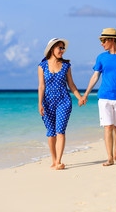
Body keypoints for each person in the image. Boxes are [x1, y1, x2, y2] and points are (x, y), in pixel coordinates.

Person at [81, 28, 116, 166]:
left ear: (112, 40)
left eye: (103, 40)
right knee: (108, 127)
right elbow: (95, 76)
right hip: (104, 97)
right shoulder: (101, 57)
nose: (101, 43)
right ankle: (110, 157)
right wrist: (86, 94)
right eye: (101, 40)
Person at [38, 38, 83, 170]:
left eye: (63, 48)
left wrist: (79, 98)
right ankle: (53, 160)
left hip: (63, 100)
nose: (62, 50)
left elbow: (71, 84)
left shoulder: (66, 66)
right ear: (52, 49)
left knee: (60, 131)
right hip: (47, 101)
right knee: (51, 133)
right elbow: (41, 86)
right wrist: (40, 103)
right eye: (60, 48)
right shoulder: (42, 66)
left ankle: (59, 161)